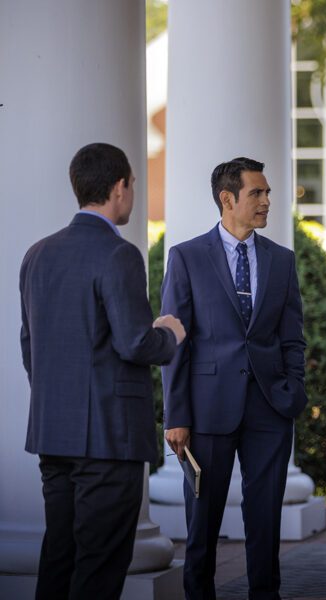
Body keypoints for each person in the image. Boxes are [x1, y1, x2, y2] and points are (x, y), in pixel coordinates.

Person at [19, 142, 186, 599]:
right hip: (109, 440)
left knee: (59, 556)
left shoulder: (37, 254)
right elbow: (135, 342)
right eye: (132, 184)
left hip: (53, 434)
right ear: (120, 187)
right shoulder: (120, 254)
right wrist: (170, 333)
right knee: (99, 567)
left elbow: (29, 345)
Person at [161, 157, 308, 600]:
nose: (267, 201)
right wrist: (176, 415)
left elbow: (292, 336)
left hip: (271, 408)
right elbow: (174, 342)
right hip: (206, 411)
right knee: (201, 524)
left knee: (265, 521)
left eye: (267, 193)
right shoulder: (186, 257)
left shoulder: (281, 260)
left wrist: (294, 390)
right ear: (228, 199)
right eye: (256, 193)